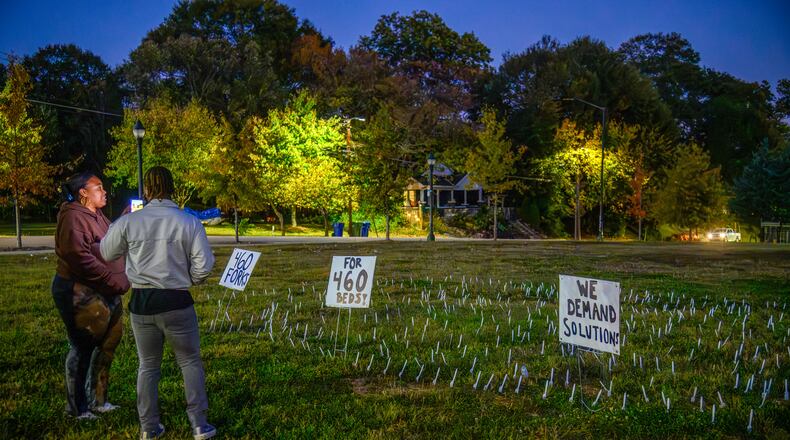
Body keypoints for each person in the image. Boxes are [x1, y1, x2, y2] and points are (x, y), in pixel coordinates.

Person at [101, 166, 216, 440]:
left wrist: (122, 222)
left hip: (142, 302)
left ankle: (148, 426)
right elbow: (205, 265)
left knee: (148, 365)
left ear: (147, 191)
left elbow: (106, 251)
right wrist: (191, 278)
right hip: (177, 299)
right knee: (190, 362)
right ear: (172, 188)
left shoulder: (131, 222)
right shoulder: (188, 222)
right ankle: (199, 424)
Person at [52, 172, 130, 420]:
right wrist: (110, 280)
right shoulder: (73, 217)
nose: (104, 191)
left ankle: (99, 399)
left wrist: (124, 220)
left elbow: (108, 239)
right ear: (83, 193)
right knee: (83, 346)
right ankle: (77, 408)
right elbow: (78, 256)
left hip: (107, 291)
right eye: (98, 187)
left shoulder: (96, 215)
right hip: (80, 291)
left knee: (110, 341)